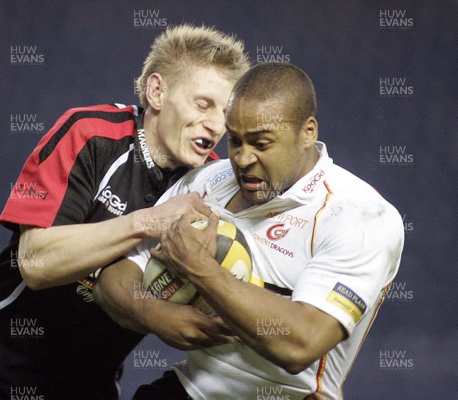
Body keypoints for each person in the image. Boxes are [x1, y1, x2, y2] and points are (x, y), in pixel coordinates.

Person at [0, 24, 250, 399]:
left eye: (224, 113)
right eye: (203, 104)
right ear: (157, 92)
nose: (215, 124)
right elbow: (35, 262)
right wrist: (146, 222)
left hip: (80, 388)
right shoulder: (90, 134)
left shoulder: (209, 189)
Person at [94, 62, 405, 399]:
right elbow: (113, 279)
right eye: (236, 140)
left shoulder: (360, 215)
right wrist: (152, 313)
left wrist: (200, 269)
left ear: (308, 132)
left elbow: (301, 344)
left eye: (261, 143)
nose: (242, 159)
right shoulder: (206, 182)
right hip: (188, 389)